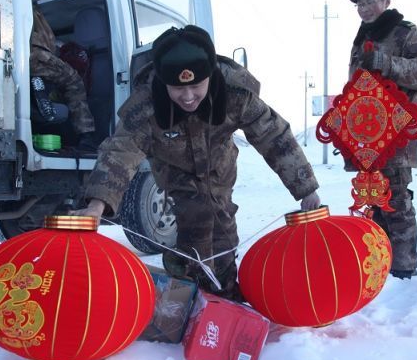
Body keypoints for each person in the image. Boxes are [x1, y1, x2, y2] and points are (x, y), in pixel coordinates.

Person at [73, 25, 321, 300]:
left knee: (224, 230)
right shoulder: (147, 103)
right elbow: (120, 150)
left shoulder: (235, 92)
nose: (188, 96)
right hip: (175, 172)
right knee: (196, 227)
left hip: (219, 169)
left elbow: (275, 137)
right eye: (178, 89)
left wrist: (306, 189)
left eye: (196, 86)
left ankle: (223, 289)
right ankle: (194, 287)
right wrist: (96, 205)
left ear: (210, 77)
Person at [346, 0, 417, 279]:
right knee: (371, 198)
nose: (364, 8)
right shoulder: (362, 37)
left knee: (396, 198)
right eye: (359, 3)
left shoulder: (405, 33)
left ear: (387, 0)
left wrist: (388, 64)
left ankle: (403, 268)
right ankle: (378, 264)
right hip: (367, 135)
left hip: (395, 133)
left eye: (371, 1)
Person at [30, 5, 97, 152]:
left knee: (46, 81)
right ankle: (87, 136)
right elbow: (47, 42)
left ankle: (38, 93)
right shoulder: (31, 8)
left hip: (16, 57)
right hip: (36, 54)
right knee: (74, 81)